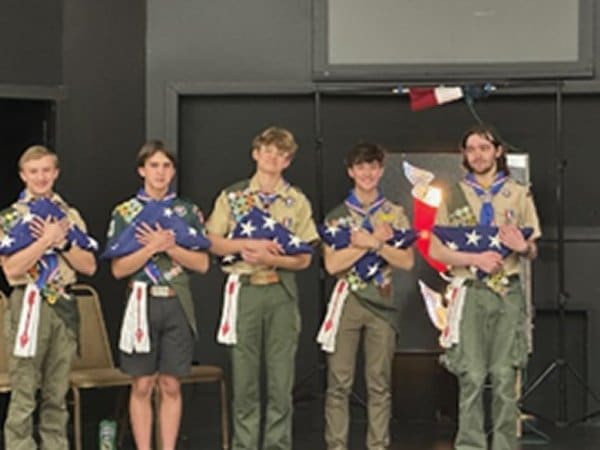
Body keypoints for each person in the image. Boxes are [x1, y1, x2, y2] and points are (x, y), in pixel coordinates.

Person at [428, 124, 541, 450]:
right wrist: (472, 257)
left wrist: (522, 247)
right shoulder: (454, 195)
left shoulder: (519, 193)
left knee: (505, 377)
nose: (478, 154)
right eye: (471, 149)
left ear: (498, 151)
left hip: (507, 291)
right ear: (465, 155)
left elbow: (532, 250)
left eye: (484, 147)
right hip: (471, 291)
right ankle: (470, 446)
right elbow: (436, 250)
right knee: (472, 376)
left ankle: (506, 445)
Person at [206, 126, 318, 450]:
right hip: (244, 290)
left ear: (288, 161)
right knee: (245, 379)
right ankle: (243, 445)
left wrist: (275, 258)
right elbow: (212, 241)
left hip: (280, 289)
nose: (273, 158)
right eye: (268, 150)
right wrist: (245, 246)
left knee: (281, 380)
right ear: (256, 153)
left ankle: (277, 445)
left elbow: (305, 257)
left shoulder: (296, 200)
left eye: (281, 154)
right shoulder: (233, 196)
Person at [105, 140, 210, 450]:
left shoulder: (187, 211)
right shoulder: (125, 212)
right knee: (142, 383)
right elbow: (118, 269)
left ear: (173, 171)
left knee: (171, 383)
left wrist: (171, 247)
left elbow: (203, 263)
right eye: (154, 166)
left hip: (176, 300)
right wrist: (150, 247)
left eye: (166, 166)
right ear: (142, 170)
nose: (160, 172)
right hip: (141, 300)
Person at [318, 142, 414, 450]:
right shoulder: (337, 216)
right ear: (351, 172)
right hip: (347, 301)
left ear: (381, 171)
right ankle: (336, 445)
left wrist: (375, 244)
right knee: (339, 383)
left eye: (373, 167)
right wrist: (363, 243)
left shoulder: (394, 214)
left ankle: (378, 445)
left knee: (379, 382)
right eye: (361, 167)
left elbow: (407, 261)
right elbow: (332, 264)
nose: (367, 173)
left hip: (382, 303)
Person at [0, 145, 97, 450]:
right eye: (33, 171)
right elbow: (11, 267)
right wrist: (44, 241)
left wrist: (65, 243)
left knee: (57, 391)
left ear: (55, 173)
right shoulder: (10, 218)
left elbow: (90, 266)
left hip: (63, 303)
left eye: (46, 170)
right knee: (25, 388)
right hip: (28, 302)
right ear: (23, 176)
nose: (40, 177)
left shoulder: (69, 215)